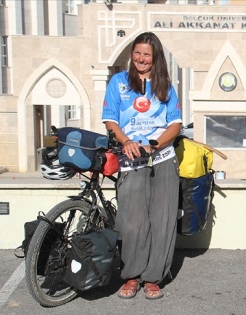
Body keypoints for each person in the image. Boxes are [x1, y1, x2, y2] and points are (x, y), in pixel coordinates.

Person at [101, 32, 182, 300]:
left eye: (146, 54)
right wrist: (125, 141)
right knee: (133, 220)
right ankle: (132, 275)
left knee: (162, 219)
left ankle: (153, 277)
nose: (141, 59)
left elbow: (175, 124)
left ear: (155, 57)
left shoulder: (166, 86)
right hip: (131, 157)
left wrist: (157, 143)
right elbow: (110, 119)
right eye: (137, 53)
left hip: (162, 157)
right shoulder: (119, 82)